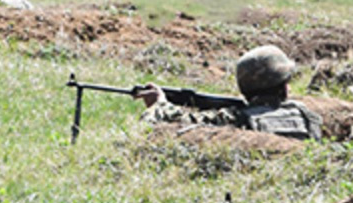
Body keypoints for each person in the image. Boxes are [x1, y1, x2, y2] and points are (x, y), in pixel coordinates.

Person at [135, 44, 322, 140]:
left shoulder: (237, 118)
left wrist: (159, 103)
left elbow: (174, 124)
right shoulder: (306, 115)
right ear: (284, 85)